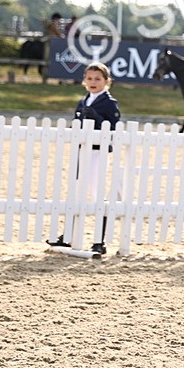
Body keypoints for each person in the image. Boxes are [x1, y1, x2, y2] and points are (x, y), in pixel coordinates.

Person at [47, 63, 121, 254]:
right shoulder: (83, 101)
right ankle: (69, 236)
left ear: (106, 81)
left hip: (98, 152)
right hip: (82, 151)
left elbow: (112, 128)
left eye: (97, 79)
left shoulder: (109, 103)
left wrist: (96, 117)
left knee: (97, 194)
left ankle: (99, 240)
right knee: (76, 192)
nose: (93, 82)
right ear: (84, 81)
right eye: (89, 79)